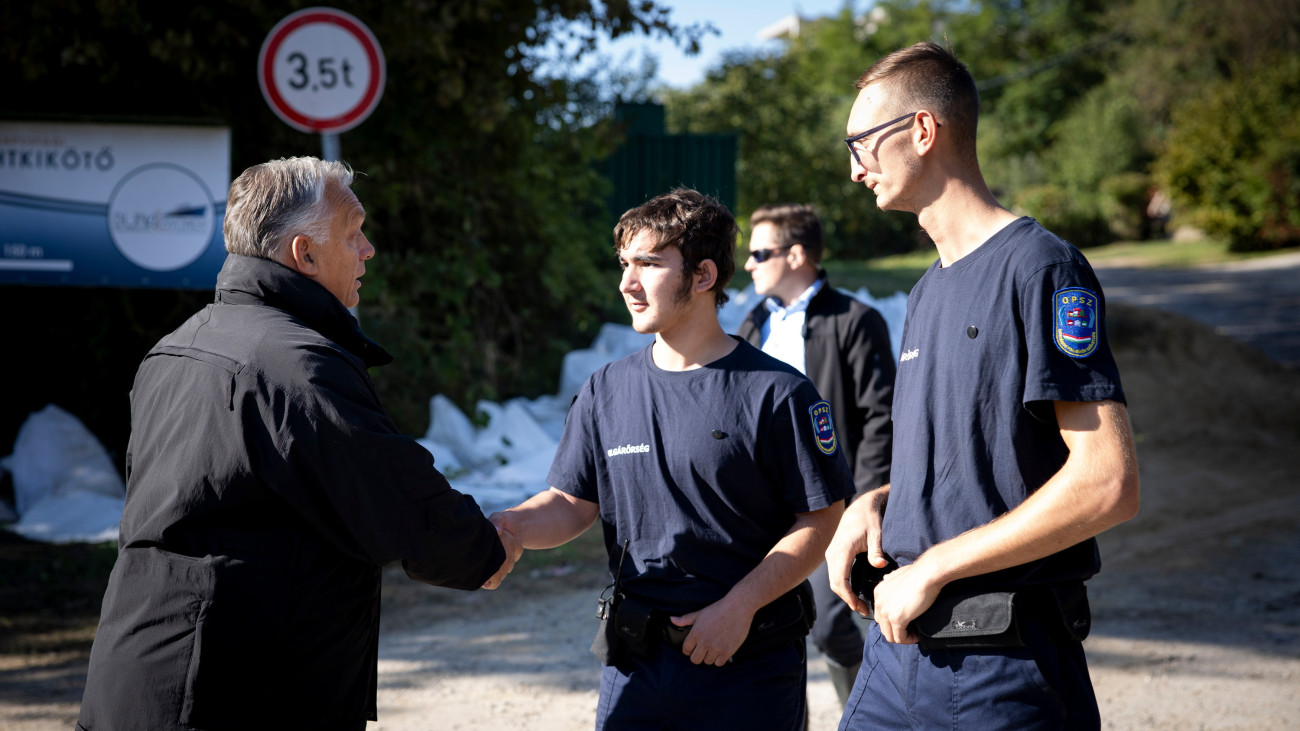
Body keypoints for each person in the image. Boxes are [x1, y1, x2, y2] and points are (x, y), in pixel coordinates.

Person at [77, 157, 522, 731]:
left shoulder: (176, 346)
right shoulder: (295, 366)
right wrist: (484, 550)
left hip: (142, 677)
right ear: (303, 255)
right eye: (353, 233)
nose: (369, 251)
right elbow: (397, 499)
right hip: (231, 692)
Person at [825, 42, 1141, 730]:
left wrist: (935, 566)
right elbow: (972, 460)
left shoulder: (1043, 269)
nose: (854, 168)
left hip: (1001, 659)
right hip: (895, 652)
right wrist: (876, 502)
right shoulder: (924, 291)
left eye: (862, 143)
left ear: (922, 131)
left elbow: (1107, 481)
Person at [491, 189, 854, 730]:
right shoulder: (605, 391)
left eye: (649, 264)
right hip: (635, 664)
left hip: (747, 666)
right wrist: (511, 526)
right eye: (624, 265)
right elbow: (571, 503)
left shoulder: (778, 393)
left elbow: (821, 518)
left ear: (703, 276)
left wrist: (740, 606)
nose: (626, 283)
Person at [735, 203, 894, 705]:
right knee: (770, 628)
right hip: (765, 506)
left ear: (796, 253)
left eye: (760, 252)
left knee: (830, 625)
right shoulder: (754, 322)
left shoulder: (855, 320)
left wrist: (861, 503)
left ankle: (863, 715)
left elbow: (881, 418)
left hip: (829, 504)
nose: (748, 264)